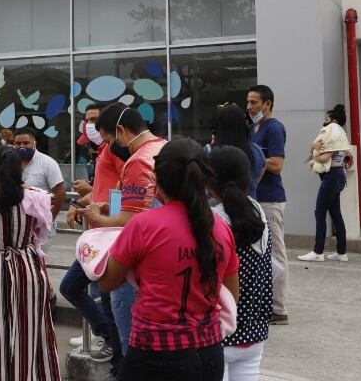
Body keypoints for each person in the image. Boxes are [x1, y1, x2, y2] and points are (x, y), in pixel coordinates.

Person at [99, 138, 240, 380]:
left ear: (158, 181)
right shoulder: (221, 228)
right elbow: (231, 294)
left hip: (153, 352)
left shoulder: (143, 225)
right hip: (209, 351)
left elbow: (107, 282)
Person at [0, 145, 60, 380]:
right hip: (28, 270)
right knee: (32, 335)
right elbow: (41, 232)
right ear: (19, 171)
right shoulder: (35, 199)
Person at [83, 103, 167, 365]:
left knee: (133, 345)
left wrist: (98, 218)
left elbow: (132, 219)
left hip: (136, 265)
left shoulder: (139, 161)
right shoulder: (163, 148)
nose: (111, 147)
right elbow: (141, 203)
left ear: (121, 131)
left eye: (109, 140)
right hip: (162, 259)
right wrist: (108, 206)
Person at [61, 103, 125, 373]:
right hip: (98, 235)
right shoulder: (103, 151)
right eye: (87, 120)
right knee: (75, 288)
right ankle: (108, 336)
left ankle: (116, 359)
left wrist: (103, 211)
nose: (91, 126)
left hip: (110, 236)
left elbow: (120, 193)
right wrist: (80, 204)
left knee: (110, 301)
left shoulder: (117, 151)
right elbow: (103, 191)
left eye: (95, 120)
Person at [207, 146, 273, 381]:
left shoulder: (212, 222)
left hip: (219, 332)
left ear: (210, 183)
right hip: (254, 334)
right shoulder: (258, 212)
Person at [247, 85, 289, 325]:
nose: (249, 107)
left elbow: (277, 164)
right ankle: (264, 303)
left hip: (271, 200)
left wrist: (255, 158)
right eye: (248, 102)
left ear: (267, 104)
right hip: (255, 199)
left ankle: (279, 308)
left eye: (254, 102)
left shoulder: (274, 128)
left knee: (275, 253)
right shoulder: (252, 128)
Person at [299, 105, 349, 263]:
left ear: (334, 120)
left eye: (327, 119)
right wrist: (314, 148)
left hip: (331, 177)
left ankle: (318, 252)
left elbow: (324, 158)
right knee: (335, 213)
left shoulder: (334, 135)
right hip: (337, 176)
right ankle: (341, 252)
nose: (324, 123)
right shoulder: (340, 134)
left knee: (320, 212)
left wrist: (314, 155)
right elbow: (315, 149)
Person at [209, 104, 264, 199]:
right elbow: (259, 173)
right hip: (248, 205)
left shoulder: (209, 151)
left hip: (215, 206)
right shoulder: (256, 150)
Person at [14, 127, 65, 217]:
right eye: (18, 143)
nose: (22, 146)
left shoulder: (48, 163)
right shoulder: (10, 163)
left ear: (34, 144)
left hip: (41, 220)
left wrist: (51, 217)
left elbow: (60, 194)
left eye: (26, 143)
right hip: (17, 221)